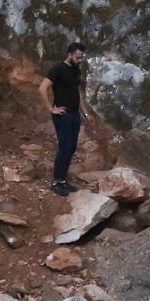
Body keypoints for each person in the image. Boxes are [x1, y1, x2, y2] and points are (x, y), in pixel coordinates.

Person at [38, 41, 93, 197]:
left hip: (75, 113)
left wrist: (86, 114)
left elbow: (77, 94)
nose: (80, 60)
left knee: (71, 147)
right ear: (69, 55)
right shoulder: (58, 69)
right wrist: (51, 108)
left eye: (81, 57)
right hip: (62, 114)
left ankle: (63, 180)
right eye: (77, 57)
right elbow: (42, 88)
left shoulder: (76, 71)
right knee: (64, 147)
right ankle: (56, 181)